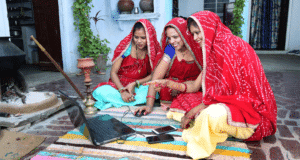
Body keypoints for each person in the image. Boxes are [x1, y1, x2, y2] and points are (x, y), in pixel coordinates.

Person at [147, 11, 277, 159]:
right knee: (190, 108)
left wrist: (193, 111)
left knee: (208, 115)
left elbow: (223, 94)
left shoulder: (228, 47)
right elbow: (200, 87)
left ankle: (198, 148)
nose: (195, 38)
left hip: (247, 106)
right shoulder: (205, 49)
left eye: (197, 33)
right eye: (169, 37)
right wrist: (166, 84)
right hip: (214, 97)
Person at [134, 17, 203, 115]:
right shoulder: (170, 50)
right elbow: (156, 78)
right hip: (171, 90)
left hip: (193, 88)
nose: (171, 41)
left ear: (185, 34)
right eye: (169, 38)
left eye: (175, 37)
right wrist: (149, 106)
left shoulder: (198, 49)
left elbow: (205, 78)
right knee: (166, 90)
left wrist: (180, 86)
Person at [92, 19, 163, 110]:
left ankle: (123, 101)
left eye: (143, 38)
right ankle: (129, 100)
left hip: (140, 85)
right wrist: (122, 91)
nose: (139, 41)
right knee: (100, 92)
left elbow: (154, 75)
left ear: (149, 37)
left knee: (154, 91)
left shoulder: (153, 50)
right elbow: (113, 72)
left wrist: (135, 84)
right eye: (136, 37)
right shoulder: (126, 48)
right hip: (120, 85)